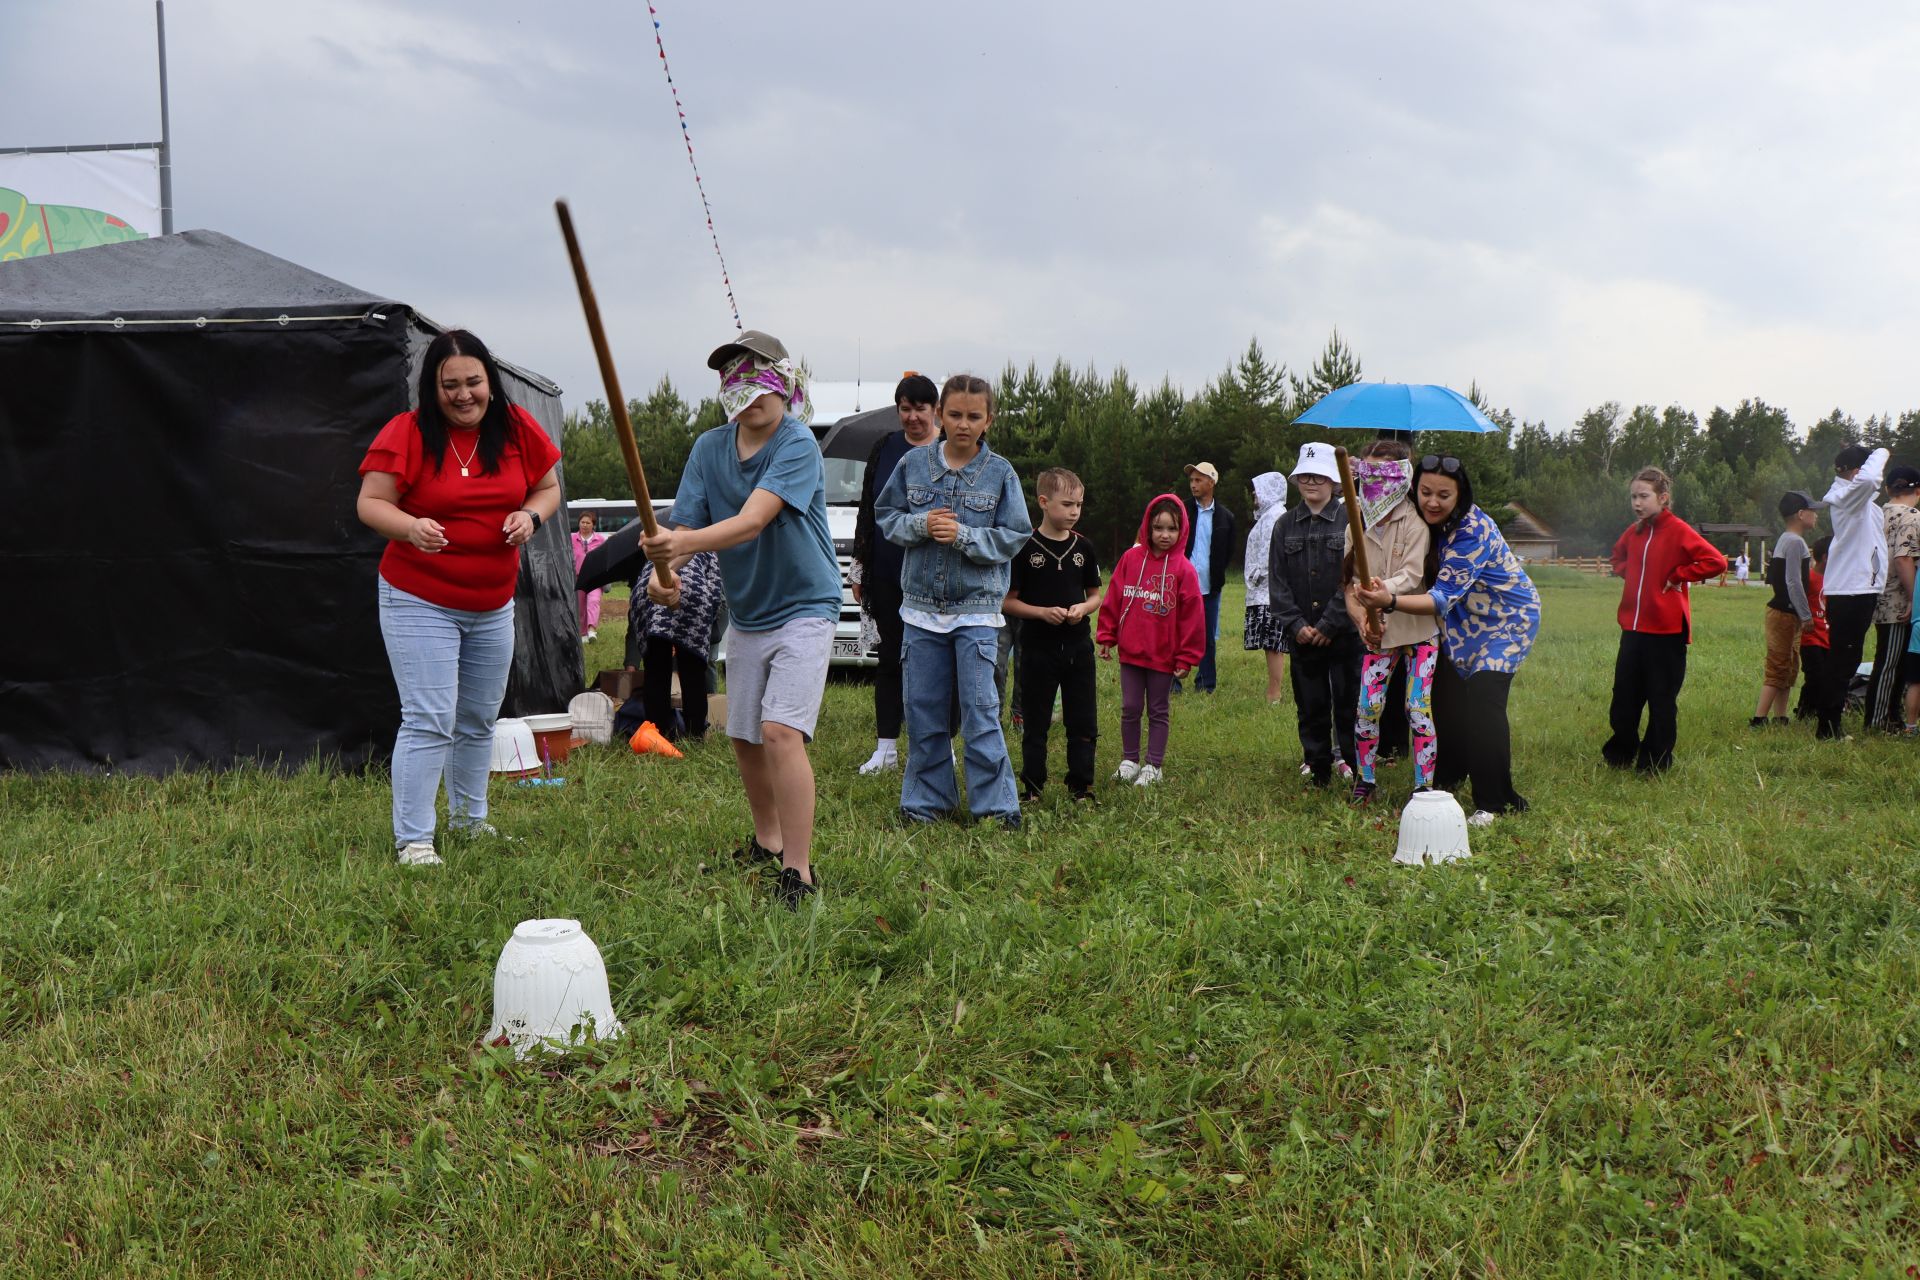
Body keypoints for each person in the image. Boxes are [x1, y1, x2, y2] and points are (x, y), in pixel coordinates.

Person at [642, 330, 840, 908]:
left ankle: (799, 871)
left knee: (780, 732)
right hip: (749, 610)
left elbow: (751, 521)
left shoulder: (798, 444)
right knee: (745, 736)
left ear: (785, 382)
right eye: (734, 381)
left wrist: (681, 546)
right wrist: (662, 576)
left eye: (758, 378)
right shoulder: (709, 449)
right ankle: (767, 839)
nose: (747, 392)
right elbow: (679, 533)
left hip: (806, 604)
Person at [355, 329, 562, 867]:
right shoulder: (407, 432)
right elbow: (371, 503)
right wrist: (409, 526)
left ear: (489, 381)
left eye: (474, 381)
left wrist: (530, 515)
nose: (464, 394)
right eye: (451, 385)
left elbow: (549, 488)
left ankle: (470, 822)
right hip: (419, 597)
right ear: (433, 387)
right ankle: (415, 840)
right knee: (429, 717)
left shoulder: (515, 427)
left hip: (492, 602)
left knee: (477, 718)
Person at [875, 374, 1032, 827]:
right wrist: (921, 526)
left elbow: (1015, 534)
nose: (964, 424)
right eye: (956, 414)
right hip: (921, 611)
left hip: (978, 612)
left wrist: (964, 536)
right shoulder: (912, 465)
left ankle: (997, 810)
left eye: (974, 416)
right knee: (923, 711)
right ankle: (926, 805)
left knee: (981, 712)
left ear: (989, 420)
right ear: (940, 415)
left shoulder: (1001, 473)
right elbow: (888, 516)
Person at [1354, 454, 1540, 825]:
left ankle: (1495, 801)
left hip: (1505, 621)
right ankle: (1448, 778)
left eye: (1444, 495)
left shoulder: (1471, 530)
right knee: (1448, 701)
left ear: (1461, 496)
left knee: (1484, 705)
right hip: (1460, 623)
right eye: (1425, 492)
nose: (1432, 502)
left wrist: (1388, 600)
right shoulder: (1425, 521)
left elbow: (1441, 597)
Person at [1600, 467, 1727, 774]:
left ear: (1663, 498)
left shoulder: (1679, 530)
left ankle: (1654, 761)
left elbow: (1716, 561)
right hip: (1632, 629)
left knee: (1661, 700)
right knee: (1624, 698)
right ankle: (1621, 752)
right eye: (1633, 496)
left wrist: (1680, 575)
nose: (1637, 503)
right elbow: (1617, 557)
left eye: (1644, 496)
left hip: (1667, 632)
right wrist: (1630, 574)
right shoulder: (1634, 532)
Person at [849, 373, 943, 774]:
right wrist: (860, 568)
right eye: (905, 409)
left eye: (920, 408)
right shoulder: (884, 448)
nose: (912, 417)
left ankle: (940, 745)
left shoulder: (951, 449)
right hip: (887, 572)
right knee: (890, 658)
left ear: (935, 410)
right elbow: (867, 511)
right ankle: (886, 747)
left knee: (938, 661)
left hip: (939, 576)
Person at [1341, 440, 1437, 803]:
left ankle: (1423, 787)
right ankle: (1365, 780)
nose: (1376, 483)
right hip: (1378, 636)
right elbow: (1350, 584)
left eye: (1385, 474)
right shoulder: (1356, 522)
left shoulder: (1416, 524)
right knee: (1367, 706)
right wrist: (1361, 619)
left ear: (1402, 478)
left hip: (1420, 631)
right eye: (1369, 473)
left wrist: (1383, 592)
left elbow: (1412, 576)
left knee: (1417, 707)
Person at [1003, 468, 1104, 800]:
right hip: (1036, 649)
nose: (1074, 512)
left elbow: (1094, 595)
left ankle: (1081, 785)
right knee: (1036, 722)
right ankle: (1032, 786)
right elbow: (1008, 602)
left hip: (1078, 648)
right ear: (1044, 502)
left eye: (1079, 504)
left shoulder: (1083, 547)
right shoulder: (1024, 547)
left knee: (1083, 720)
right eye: (1067, 504)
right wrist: (1041, 613)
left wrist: (1083, 609)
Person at [1096, 495, 1205, 785]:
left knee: (1158, 710)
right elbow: (1114, 597)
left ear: (1182, 530)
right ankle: (1130, 759)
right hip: (1131, 653)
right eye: (1158, 528)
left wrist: (1187, 657)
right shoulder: (1131, 559)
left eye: (1171, 529)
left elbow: (1192, 619)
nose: (1164, 535)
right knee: (1130, 707)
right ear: (1147, 527)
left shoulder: (1184, 570)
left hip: (1163, 656)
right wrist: (1107, 635)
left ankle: (1153, 765)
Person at [1269, 442, 1361, 787]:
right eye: (1304, 475)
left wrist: (1330, 623)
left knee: (1349, 702)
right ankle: (1317, 763)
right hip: (1302, 635)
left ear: (1335, 481)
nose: (1311, 482)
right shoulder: (1284, 526)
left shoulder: (1352, 520)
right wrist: (1296, 624)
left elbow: (1354, 578)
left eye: (1319, 475)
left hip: (1345, 632)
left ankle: (1353, 763)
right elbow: (1276, 583)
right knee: (1310, 703)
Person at [1814, 444, 1888, 740]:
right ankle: (1828, 727)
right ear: (1858, 471)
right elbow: (1869, 481)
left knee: (1847, 658)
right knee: (1843, 660)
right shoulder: (1847, 497)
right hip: (1850, 591)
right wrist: (1882, 451)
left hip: (1860, 589)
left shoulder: (1864, 505)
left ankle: (1829, 721)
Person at [626, 552, 722, 746]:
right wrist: (705, 624)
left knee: (656, 672)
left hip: (649, 596)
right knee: (692, 671)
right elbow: (715, 588)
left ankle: (657, 735)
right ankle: (695, 736)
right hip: (692, 595)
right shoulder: (708, 546)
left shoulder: (659, 545)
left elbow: (637, 589)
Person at [1757, 491, 1821, 727]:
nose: (1816, 516)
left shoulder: (1788, 539)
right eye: (1812, 512)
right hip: (1785, 613)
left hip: (1787, 613)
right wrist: (1806, 615)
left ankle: (1780, 717)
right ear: (1801, 514)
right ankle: (1759, 718)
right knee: (1778, 666)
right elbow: (1793, 581)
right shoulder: (1795, 542)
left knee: (1790, 666)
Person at [1865, 465, 1920, 732]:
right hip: (1898, 599)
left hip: (1873, 593)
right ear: (1918, 491)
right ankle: (1877, 722)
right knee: (1890, 663)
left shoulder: (1875, 514)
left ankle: (1891, 717)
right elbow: (1904, 558)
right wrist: (1914, 599)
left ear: (1888, 489)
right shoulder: (1911, 516)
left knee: (1891, 660)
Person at [1181, 461, 1238, 693]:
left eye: (1198, 480)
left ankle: (1205, 683)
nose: (1193, 484)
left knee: (1206, 638)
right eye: (1191, 480)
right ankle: (1171, 682)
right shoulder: (1181, 510)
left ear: (1211, 482)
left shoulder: (1226, 517)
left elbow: (1228, 552)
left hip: (1209, 586)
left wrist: (1214, 574)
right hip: (1179, 585)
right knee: (1175, 633)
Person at [1242, 471, 1291, 704]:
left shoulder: (1274, 518)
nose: (1254, 494)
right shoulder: (1268, 516)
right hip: (1263, 591)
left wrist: (1255, 575)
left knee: (1273, 643)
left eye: (1258, 489)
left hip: (1269, 591)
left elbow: (1270, 556)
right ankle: (1274, 689)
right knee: (1269, 643)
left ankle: (1275, 692)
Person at [1797, 535, 1831, 723]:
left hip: (1829, 638)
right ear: (1825, 557)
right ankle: (1805, 711)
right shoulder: (1809, 577)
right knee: (1815, 676)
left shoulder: (1835, 579)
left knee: (1826, 677)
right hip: (1811, 638)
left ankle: (1816, 708)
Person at [571, 513, 608, 642]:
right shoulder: (571, 538)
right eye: (583, 522)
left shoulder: (600, 539)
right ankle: (583, 633)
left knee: (593, 601)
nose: (585, 525)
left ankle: (592, 630)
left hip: (595, 578)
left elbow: (605, 557)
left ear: (593, 525)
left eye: (588, 523)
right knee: (580, 607)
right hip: (578, 578)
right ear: (579, 523)